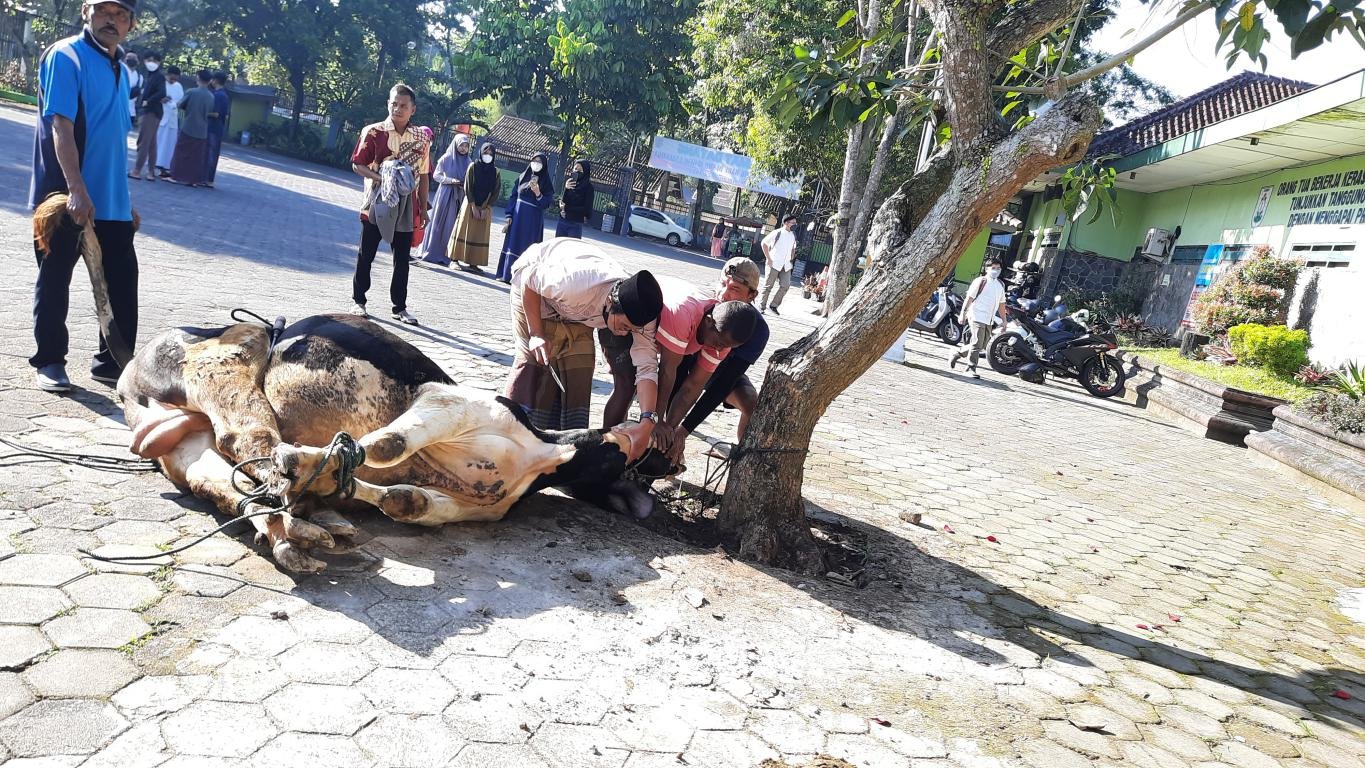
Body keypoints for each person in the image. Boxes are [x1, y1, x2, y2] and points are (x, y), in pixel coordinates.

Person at [28, 0, 140, 392]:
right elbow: (61, 125)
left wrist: (124, 198)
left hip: (111, 202)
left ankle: (113, 364)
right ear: (86, 12)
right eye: (104, 11)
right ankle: (49, 361)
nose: (112, 20)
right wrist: (75, 188)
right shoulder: (67, 56)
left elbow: (112, 136)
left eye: (121, 15)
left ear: (131, 24)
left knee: (123, 280)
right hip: (64, 196)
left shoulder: (122, 69)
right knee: (55, 277)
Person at [506, 238, 663, 459]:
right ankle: (511, 443)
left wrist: (647, 421)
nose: (624, 334)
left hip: (576, 310)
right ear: (611, 303)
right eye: (624, 326)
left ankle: (562, 456)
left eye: (631, 330)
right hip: (534, 291)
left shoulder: (643, 317)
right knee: (535, 366)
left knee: (578, 371)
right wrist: (536, 334)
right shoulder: (575, 283)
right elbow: (530, 280)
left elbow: (647, 369)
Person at [600, 276, 759, 454]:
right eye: (720, 343)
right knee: (627, 386)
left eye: (727, 347)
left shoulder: (722, 338)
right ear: (708, 322)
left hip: (655, 335)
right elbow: (667, 371)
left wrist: (670, 431)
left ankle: (627, 448)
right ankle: (606, 449)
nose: (720, 349)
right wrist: (656, 420)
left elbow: (694, 385)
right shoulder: (684, 315)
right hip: (627, 318)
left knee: (659, 429)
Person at [664, 258, 768, 464]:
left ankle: (741, 461)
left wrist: (685, 430)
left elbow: (724, 384)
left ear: (752, 295)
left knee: (751, 404)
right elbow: (678, 372)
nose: (724, 294)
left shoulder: (758, 331)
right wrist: (670, 428)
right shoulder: (704, 308)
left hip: (721, 375)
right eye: (723, 284)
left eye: (735, 289)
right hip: (689, 367)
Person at [349, 83, 431, 325]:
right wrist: (382, 178)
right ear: (388, 104)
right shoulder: (373, 132)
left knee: (402, 259)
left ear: (413, 109)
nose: (398, 108)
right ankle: (358, 301)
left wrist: (423, 207)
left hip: (407, 205)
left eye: (403, 105)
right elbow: (357, 164)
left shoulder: (421, 139)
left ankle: (400, 307)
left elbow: (424, 174)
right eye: (394, 103)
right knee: (366, 254)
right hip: (377, 200)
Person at [496, 153, 554, 282]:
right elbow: (513, 196)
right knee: (513, 244)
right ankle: (506, 275)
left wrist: (538, 193)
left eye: (539, 162)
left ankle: (522, 279)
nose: (536, 164)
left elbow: (546, 204)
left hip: (533, 221)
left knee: (527, 247)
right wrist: (509, 214)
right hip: (517, 217)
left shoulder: (546, 183)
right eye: (534, 160)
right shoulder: (522, 177)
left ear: (544, 165)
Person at [950, 256, 1010, 379]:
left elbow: (1001, 304)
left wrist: (1004, 320)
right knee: (977, 342)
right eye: (993, 268)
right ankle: (970, 368)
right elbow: (969, 298)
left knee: (982, 345)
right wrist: (963, 313)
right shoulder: (980, 281)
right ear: (987, 269)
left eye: (998, 268)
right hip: (977, 315)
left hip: (989, 319)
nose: (996, 270)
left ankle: (958, 353)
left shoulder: (1000, 284)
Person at [417, 132, 471, 266]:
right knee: (438, 222)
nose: (463, 148)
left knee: (452, 225)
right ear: (455, 145)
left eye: (466, 146)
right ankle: (431, 251)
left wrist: (464, 185)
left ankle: (448, 254)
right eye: (461, 145)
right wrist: (450, 180)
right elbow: (436, 175)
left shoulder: (469, 162)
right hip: (445, 194)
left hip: (459, 196)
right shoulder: (446, 158)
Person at [447, 141, 499, 273]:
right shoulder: (473, 167)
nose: (488, 155)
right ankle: (454, 260)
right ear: (481, 152)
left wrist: (487, 208)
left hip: (485, 205)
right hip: (470, 204)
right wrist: (474, 207)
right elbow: (468, 186)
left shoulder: (496, 172)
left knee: (479, 234)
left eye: (491, 153)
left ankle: (474, 262)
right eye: (486, 152)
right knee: (463, 229)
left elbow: (495, 191)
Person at [168, 70, 213, 187]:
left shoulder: (192, 92)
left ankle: (175, 176)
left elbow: (180, 105)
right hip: (202, 129)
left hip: (188, 126)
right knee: (196, 156)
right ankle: (193, 180)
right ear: (209, 81)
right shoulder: (211, 96)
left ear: (198, 78)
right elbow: (210, 111)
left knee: (180, 151)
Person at [126, 50, 164, 181]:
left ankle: (137, 170)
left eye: (154, 60)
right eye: (149, 60)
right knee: (151, 142)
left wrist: (148, 101)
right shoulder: (150, 76)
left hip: (151, 112)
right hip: (150, 111)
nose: (151, 63)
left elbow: (162, 93)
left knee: (144, 141)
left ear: (159, 62)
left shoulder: (158, 76)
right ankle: (150, 172)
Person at [759, 214, 798, 315]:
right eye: (793, 223)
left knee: (785, 285)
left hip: (786, 265)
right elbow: (764, 243)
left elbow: (793, 248)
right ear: (786, 222)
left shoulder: (793, 235)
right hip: (774, 262)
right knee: (768, 286)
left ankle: (774, 305)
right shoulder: (777, 232)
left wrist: (791, 257)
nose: (795, 225)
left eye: (795, 223)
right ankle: (761, 307)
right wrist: (768, 258)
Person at [154, 65, 182, 177]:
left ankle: (165, 168)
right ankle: (154, 165)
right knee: (158, 142)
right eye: (172, 78)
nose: (173, 80)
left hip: (172, 119)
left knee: (169, 144)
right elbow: (153, 97)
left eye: (175, 79)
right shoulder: (161, 83)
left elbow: (180, 101)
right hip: (161, 116)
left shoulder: (178, 86)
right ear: (167, 74)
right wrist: (161, 100)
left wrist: (174, 103)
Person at [203, 71, 230, 188]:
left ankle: (208, 179)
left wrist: (203, 113)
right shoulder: (223, 95)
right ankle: (207, 178)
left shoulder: (219, 95)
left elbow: (216, 113)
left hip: (213, 128)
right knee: (211, 153)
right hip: (216, 128)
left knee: (211, 154)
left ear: (216, 80)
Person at [556, 159, 594, 238]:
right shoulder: (570, 182)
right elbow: (564, 202)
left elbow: (587, 209)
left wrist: (567, 208)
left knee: (572, 245)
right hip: (563, 220)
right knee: (559, 244)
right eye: (575, 169)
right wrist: (566, 189)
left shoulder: (589, 187)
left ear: (585, 171)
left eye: (580, 170)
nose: (577, 171)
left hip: (575, 223)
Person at [121, 49, 141, 127]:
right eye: (129, 57)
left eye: (134, 58)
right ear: (125, 60)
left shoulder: (139, 77)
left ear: (138, 61)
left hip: (131, 112)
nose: (131, 60)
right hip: (119, 109)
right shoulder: (119, 71)